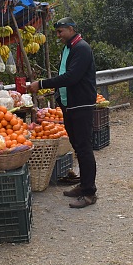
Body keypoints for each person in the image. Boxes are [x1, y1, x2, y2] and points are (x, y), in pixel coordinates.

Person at [28, 17, 98, 208]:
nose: (58, 36)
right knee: (77, 145)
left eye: (60, 32)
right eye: (57, 32)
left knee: (84, 147)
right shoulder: (68, 48)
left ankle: (89, 192)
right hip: (69, 104)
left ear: (70, 29)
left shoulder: (82, 48)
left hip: (81, 104)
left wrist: (42, 84)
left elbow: (72, 77)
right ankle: (83, 185)